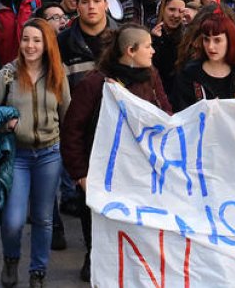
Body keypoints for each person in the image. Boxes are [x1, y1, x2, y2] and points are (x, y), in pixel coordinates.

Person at [60, 25, 171, 282]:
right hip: (100, 173)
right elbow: (72, 130)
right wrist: (80, 175)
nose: (153, 51)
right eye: (148, 46)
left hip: (138, 173)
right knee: (100, 233)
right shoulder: (95, 83)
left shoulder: (151, 76)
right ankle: (95, 260)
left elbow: (165, 111)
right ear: (131, 51)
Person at [0, 19, 69, 287]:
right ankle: (11, 259)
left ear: (46, 44)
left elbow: (67, 113)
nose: (30, 46)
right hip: (16, 156)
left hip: (49, 154)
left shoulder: (58, 72)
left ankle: (38, 271)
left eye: (37, 40)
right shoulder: (7, 75)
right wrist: (5, 121)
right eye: (26, 39)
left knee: (44, 218)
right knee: (13, 220)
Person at [171, 11, 235, 111]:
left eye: (217, 40)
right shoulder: (189, 74)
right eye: (206, 39)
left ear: (230, 41)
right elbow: (180, 112)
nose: (210, 46)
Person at [58, 0, 118, 90]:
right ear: (77, 6)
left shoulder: (121, 38)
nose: (91, 7)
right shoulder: (62, 42)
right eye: (85, 2)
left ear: (106, 4)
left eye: (97, 1)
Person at [150, 0, 188, 88]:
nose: (176, 15)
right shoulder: (148, 30)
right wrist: (154, 40)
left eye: (180, 11)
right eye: (171, 9)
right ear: (162, 9)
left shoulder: (187, 36)